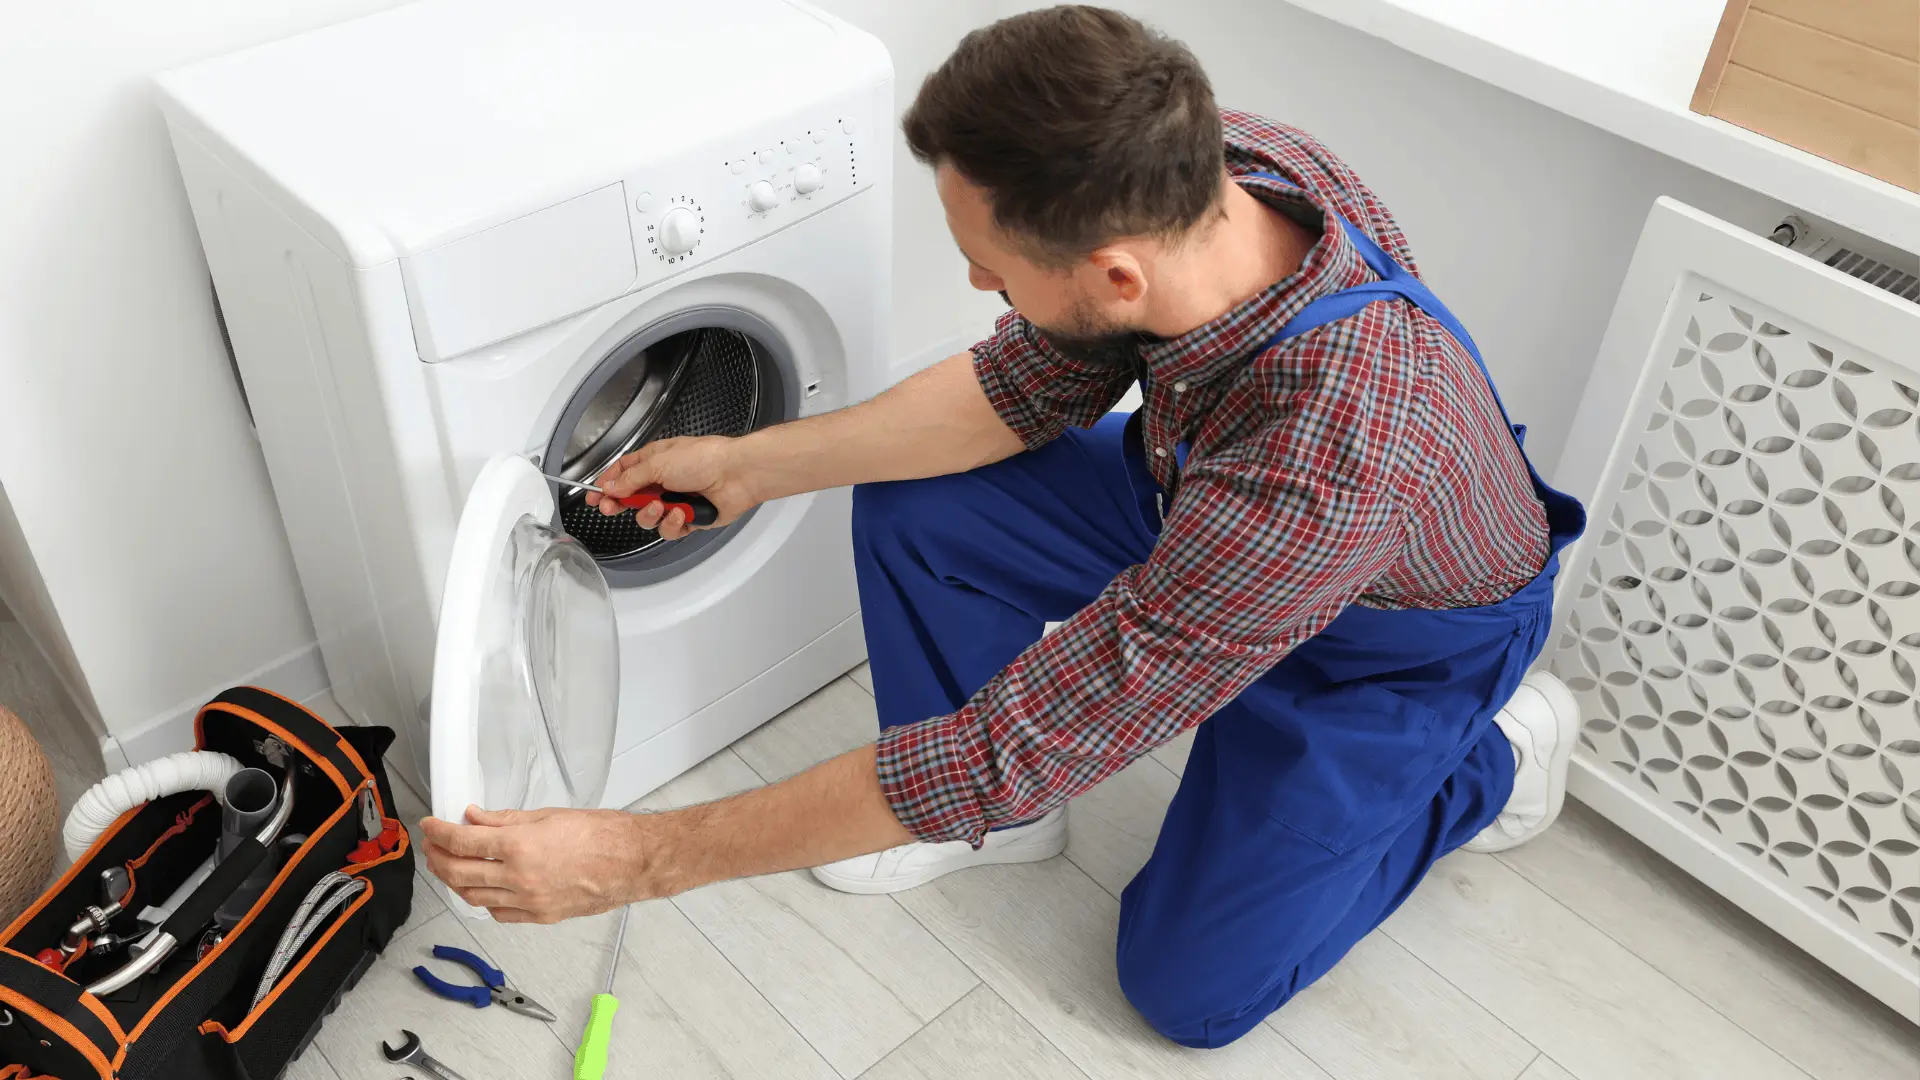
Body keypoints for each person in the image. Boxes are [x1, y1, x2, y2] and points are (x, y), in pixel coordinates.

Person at [420, 4, 1587, 1047]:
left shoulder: (1330, 456)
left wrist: (635, 858)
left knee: (1188, 992)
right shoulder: (1218, 170)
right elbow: (1022, 393)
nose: (979, 288)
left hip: (1390, 646)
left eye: (991, 269)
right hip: (1207, 511)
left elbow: (1016, 739)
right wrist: (747, 463)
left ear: (1116, 276)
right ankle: (990, 832)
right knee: (931, 505)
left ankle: (1487, 760)